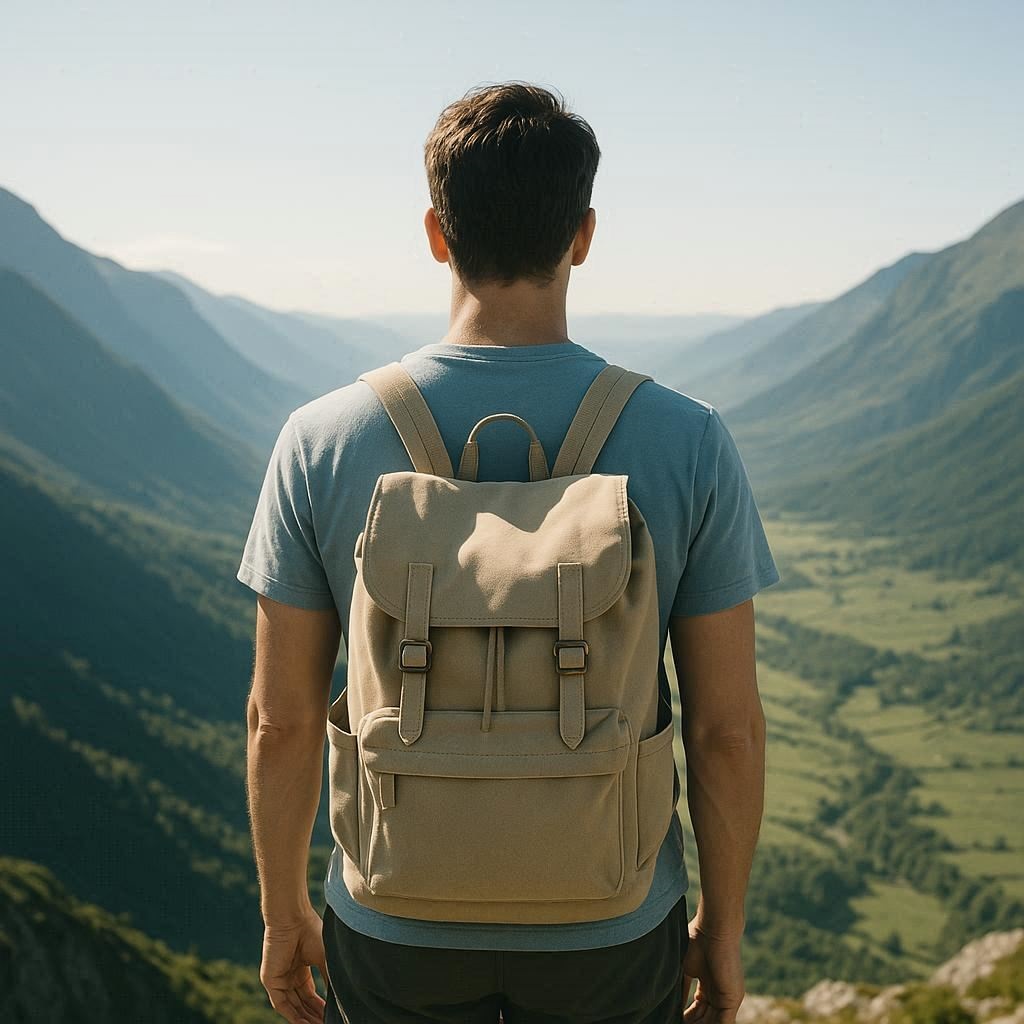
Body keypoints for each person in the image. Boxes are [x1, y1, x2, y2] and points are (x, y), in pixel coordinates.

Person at [238, 80, 778, 1024]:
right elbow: (726, 730)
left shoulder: (320, 441)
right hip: (612, 926)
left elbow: (279, 722)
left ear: (437, 233)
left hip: (392, 916)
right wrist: (723, 932)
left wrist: (284, 916)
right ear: (584, 234)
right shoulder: (686, 440)